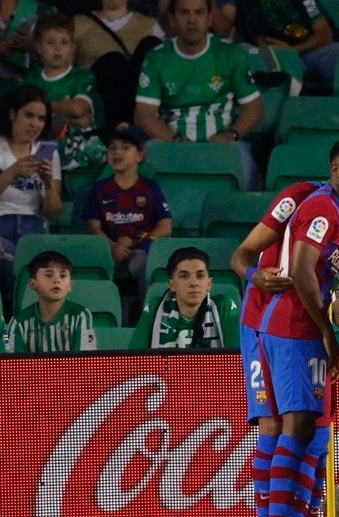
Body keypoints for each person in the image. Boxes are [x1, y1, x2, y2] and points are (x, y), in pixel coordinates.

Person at [230, 143, 339, 517]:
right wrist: (253, 275)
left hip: (293, 321)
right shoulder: (310, 201)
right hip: (273, 319)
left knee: (305, 432)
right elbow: (245, 254)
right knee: (293, 426)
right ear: (337, 170)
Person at [134, 0, 263, 189]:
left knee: (244, 163)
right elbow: (144, 115)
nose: (192, 20)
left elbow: (255, 108)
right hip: (171, 143)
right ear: (173, 19)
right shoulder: (157, 57)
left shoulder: (230, 54)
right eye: (184, 12)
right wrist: (174, 139)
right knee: (147, 156)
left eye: (199, 12)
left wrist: (231, 135)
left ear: (209, 18)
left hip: (224, 144)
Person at [73, 0, 164, 127]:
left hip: (140, 102)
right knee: (112, 61)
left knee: (150, 45)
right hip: (99, 104)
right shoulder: (78, 24)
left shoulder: (151, 25)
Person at [82, 124, 172, 288]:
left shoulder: (150, 188)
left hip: (139, 250)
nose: (117, 152)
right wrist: (114, 246)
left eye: (125, 148)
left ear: (139, 155)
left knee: (144, 266)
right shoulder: (99, 189)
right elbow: (94, 228)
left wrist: (134, 243)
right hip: (107, 250)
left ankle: (148, 312)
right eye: (112, 148)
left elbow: (165, 227)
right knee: (92, 267)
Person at [0, 86, 61, 317]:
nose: (35, 124)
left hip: (34, 228)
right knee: (11, 266)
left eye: (41, 118)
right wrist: (12, 172)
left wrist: (47, 184)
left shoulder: (48, 154)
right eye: (29, 115)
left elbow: (53, 213)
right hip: (2, 224)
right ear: (13, 114)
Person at [22, 14, 103, 171]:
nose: (58, 48)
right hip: (41, 143)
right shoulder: (29, 80)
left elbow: (77, 108)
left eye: (64, 42)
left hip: (80, 144)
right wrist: (62, 108)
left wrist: (41, 108)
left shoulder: (83, 76)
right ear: (38, 47)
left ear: (72, 47)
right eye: (50, 42)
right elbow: (23, 114)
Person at [135, 245, 240, 348]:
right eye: (184, 276)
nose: (194, 283)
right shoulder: (155, 307)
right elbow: (135, 360)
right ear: (172, 285)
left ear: (209, 283)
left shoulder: (224, 306)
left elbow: (239, 358)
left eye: (200, 276)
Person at [1, 250, 93, 352]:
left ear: (70, 286)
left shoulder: (81, 316)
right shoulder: (18, 322)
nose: (57, 280)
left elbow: (86, 361)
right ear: (32, 284)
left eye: (62, 276)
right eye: (49, 275)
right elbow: (12, 364)